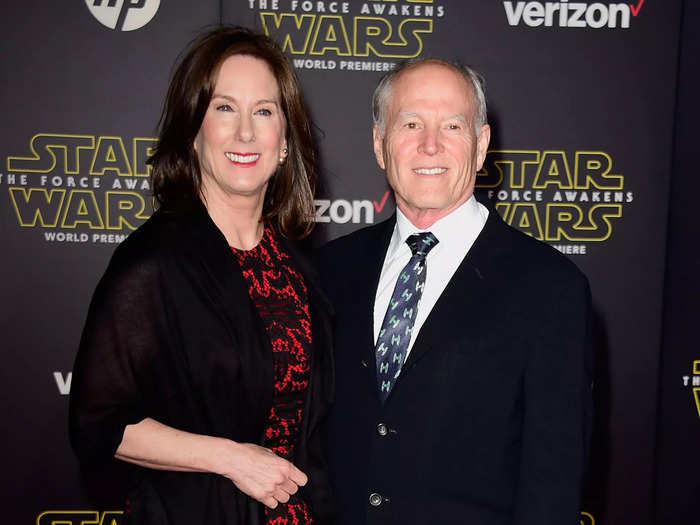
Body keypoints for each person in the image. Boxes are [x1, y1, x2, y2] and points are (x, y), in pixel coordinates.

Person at [69, 26, 334, 525]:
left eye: (263, 111)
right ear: (194, 131)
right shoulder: (155, 263)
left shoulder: (299, 270)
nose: (245, 133)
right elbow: (99, 425)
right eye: (224, 108)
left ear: (284, 142)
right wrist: (232, 458)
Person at [318, 58, 593, 524]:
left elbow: (554, 482)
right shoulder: (329, 271)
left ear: (481, 144)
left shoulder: (551, 288)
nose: (430, 145)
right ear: (380, 145)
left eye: (451, 125)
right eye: (410, 124)